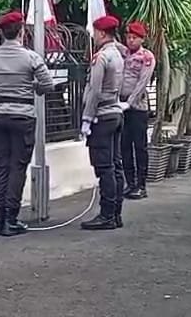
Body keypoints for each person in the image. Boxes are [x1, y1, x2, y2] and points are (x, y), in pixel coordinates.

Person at [0, 11, 54, 237]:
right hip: (23, 115)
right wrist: (34, 88)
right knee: (18, 166)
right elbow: (48, 85)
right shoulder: (31, 58)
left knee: (1, 166)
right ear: (21, 32)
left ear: (2, 33)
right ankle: (11, 218)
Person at [79, 15, 124, 231]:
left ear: (102, 33)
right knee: (115, 166)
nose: (94, 36)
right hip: (115, 113)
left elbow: (95, 92)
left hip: (102, 117)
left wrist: (87, 119)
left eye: (95, 32)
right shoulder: (118, 54)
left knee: (104, 167)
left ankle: (106, 215)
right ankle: (116, 213)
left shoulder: (102, 57)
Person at [119, 21, 155, 200]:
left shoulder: (146, 57)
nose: (131, 40)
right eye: (128, 37)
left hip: (138, 108)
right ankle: (130, 183)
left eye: (134, 37)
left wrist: (130, 102)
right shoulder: (124, 53)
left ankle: (141, 185)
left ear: (142, 39)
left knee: (139, 147)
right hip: (122, 106)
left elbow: (142, 83)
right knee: (124, 146)